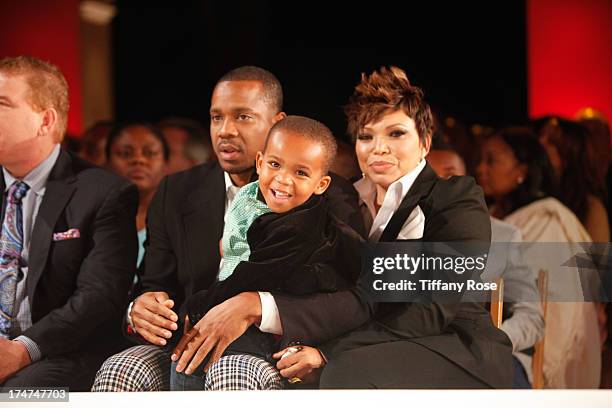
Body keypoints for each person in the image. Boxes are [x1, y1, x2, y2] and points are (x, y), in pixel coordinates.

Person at [93, 66, 366, 391]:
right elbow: (154, 284)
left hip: (271, 350)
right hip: (184, 342)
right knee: (121, 369)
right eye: (216, 117)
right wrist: (141, 309)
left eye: (243, 117)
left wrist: (257, 306)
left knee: (230, 372)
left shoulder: (327, 193)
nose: (225, 130)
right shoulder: (176, 191)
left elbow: (355, 296)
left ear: (276, 123)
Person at [280, 66, 513, 388]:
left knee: (344, 371)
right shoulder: (338, 199)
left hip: (455, 347)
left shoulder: (455, 198)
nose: (379, 147)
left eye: (396, 133)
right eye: (366, 136)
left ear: (425, 142)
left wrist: (327, 352)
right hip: (364, 348)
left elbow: (434, 309)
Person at [171, 116, 362, 389]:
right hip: (242, 313)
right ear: (260, 163)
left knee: (195, 356)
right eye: (275, 165)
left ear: (321, 185)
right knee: (188, 353)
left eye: (301, 173)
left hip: (280, 335)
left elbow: (251, 278)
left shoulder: (300, 226)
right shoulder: (251, 199)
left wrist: (197, 306)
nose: (283, 179)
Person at [0, 56, 138, 389]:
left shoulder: (105, 193)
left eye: (2, 104)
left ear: (44, 121)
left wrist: (22, 350)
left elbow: (99, 296)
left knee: (20, 398)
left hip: (58, 353)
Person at [476, 127, 601, 388]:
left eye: (492, 160)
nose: (480, 169)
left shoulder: (545, 221)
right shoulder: (489, 217)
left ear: (522, 170)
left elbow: (552, 305)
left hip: (521, 351)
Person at [427, 143, 544, 388]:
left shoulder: (503, 235)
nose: (441, 185)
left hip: (490, 355)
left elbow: (531, 316)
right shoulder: (406, 236)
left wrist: (494, 340)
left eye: (450, 175)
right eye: (429, 177)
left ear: (468, 180)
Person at [105, 122, 169, 267]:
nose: (138, 160)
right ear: (107, 163)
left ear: (165, 163)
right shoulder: (93, 218)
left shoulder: (176, 220)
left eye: (150, 153)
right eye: (126, 154)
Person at [536, 117, 610, 244]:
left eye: (551, 142)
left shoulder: (590, 208)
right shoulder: (531, 195)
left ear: (569, 155)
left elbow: (597, 262)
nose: (540, 143)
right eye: (541, 136)